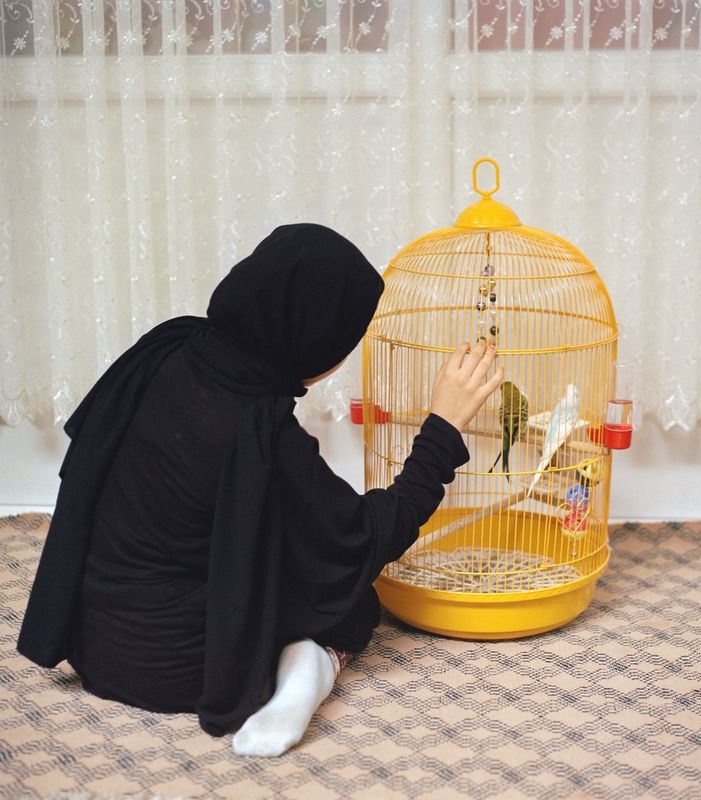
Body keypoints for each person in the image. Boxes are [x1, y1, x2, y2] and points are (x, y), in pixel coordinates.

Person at [16, 223, 503, 757]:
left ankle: (300, 663)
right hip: (186, 670)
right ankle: (307, 668)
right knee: (352, 599)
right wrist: (444, 426)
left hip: (92, 645)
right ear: (315, 339)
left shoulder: (167, 346)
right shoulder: (258, 428)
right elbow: (364, 537)